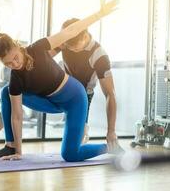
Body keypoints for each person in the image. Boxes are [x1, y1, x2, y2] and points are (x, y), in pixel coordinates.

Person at [0, 0, 119, 161]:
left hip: (76, 99)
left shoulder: (39, 48)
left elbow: (70, 31)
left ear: (18, 46)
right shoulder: (16, 77)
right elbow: (17, 115)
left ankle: (109, 148)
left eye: (15, 58)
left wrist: (100, 14)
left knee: (70, 155)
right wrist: (19, 152)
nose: (15, 64)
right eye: (8, 63)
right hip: (51, 102)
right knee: (7, 91)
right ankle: (10, 147)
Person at [48, 18, 118, 147]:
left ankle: (84, 133)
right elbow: (43, 56)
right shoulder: (66, 41)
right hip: (63, 89)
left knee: (74, 146)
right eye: (67, 47)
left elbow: (110, 94)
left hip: (83, 96)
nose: (70, 50)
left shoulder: (100, 56)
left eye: (74, 48)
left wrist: (111, 131)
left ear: (85, 36)